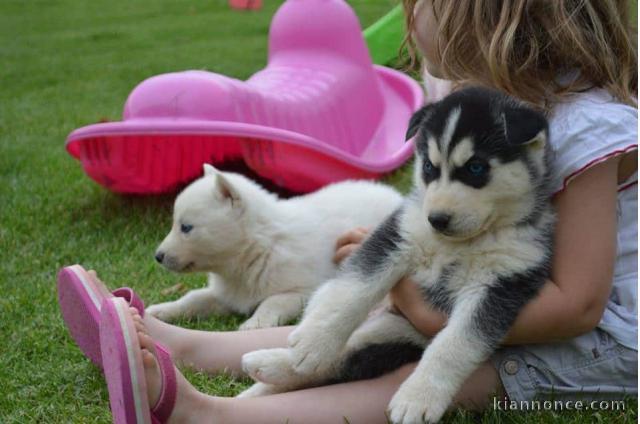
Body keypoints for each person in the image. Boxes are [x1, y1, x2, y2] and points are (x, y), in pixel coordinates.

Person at [72, 0, 638, 422]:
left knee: (433, 371)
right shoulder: (488, 97)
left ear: (488, 17)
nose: (410, 17)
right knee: (372, 319)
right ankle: (182, 343)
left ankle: (213, 416)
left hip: (604, 343)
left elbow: (579, 306)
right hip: (498, 291)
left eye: (421, 5)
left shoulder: (584, 124)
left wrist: (427, 313)